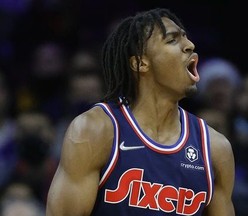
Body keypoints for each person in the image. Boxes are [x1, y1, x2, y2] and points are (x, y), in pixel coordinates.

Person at [46, 8, 235, 216]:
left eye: (186, 38)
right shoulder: (97, 130)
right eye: (172, 40)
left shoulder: (215, 148)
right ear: (140, 63)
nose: (190, 45)